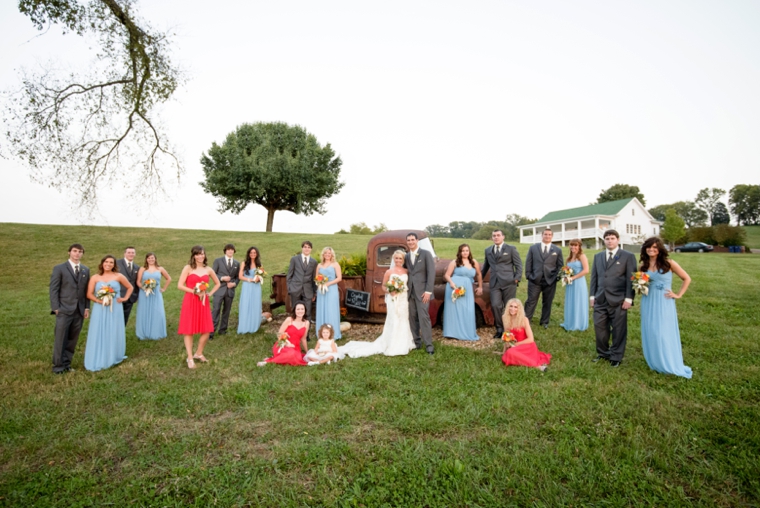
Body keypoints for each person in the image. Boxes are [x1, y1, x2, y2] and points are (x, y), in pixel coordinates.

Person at [339, 250, 416, 358]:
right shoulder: (389, 272)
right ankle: (392, 343)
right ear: (393, 259)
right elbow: (384, 286)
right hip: (393, 298)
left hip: (403, 299)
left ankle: (404, 342)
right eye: (396, 258)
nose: (398, 260)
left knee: (403, 319)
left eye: (400, 258)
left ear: (403, 260)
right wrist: (390, 291)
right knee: (394, 318)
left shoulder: (406, 271)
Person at [639, 237, 692, 378]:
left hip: (664, 302)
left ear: (660, 249)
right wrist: (639, 285)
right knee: (651, 331)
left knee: (662, 332)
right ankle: (655, 360)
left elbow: (687, 278)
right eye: (649, 247)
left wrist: (678, 294)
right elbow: (641, 287)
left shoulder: (669, 263)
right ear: (645, 248)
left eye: (655, 247)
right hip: (648, 301)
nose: (651, 249)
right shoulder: (643, 266)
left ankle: (667, 361)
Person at [589, 229, 637, 367]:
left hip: (619, 300)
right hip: (600, 299)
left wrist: (629, 298)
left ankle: (616, 356)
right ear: (604, 241)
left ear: (618, 240)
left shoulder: (627, 256)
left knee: (618, 329)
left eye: (612, 238)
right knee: (600, 328)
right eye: (607, 238)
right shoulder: (598, 256)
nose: (610, 241)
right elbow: (594, 277)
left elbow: (631, 279)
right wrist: (592, 296)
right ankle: (603, 353)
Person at [84, 255, 133, 371]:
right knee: (98, 330)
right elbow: (89, 294)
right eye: (106, 262)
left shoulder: (118, 276)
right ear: (102, 263)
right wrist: (98, 300)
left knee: (113, 329)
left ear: (114, 265)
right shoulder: (95, 277)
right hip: (99, 308)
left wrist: (124, 298)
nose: (108, 264)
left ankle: (113, 355)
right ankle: (97, 355)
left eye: (111, 262)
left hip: (115, 307)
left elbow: (130, 287)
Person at [177, 245, 221, 369]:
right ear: (193, 256)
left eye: (202, 254)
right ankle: (190, 357)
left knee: (206, 330)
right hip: (190, 301)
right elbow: (179, 285)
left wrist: (209, 294)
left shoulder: (208, 269)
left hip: (203, 302)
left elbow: (217, 283)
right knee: (189, 330)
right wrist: (194, 291)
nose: (200, 256)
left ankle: (199, 353)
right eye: (197, 254)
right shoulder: (188, 268)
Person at [49, 243, 90, 374]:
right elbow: (54, 288)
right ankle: (58, 366)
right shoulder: (60, 268)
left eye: (80, 251)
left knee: (73, 339)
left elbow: (86, 290)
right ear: (69, 252)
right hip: (64, 309)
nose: (77, 253)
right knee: (61, 338)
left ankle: (67, 363)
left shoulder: (85, 270)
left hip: (79, 310)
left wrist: (87, 308)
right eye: (75, 251)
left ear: (82, 254)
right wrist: (56, 307)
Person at [481, 229, 523, 339]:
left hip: (509, 282)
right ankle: (499, 328)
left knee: (509, 306)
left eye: (498, 235)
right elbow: (486, 266)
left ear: (503, 237)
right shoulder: (488, 250)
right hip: (494, 282)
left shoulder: (511, 249)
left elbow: (518, 265)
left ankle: (509, 329)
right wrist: (478, 278)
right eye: (494, 235)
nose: (496, 237)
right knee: (495, 305)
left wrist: (516, 279)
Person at [524, 229, 564, 329]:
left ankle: (544, 321)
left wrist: (556, 278)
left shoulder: (557, 250)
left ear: (552, 236)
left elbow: (560, 266)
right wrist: (529, 275)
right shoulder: (533, 248)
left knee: (547, 302)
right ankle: (526, 320)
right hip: (535, 279)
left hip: (550, 280)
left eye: (549, 234)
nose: (547, 236)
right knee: (531, 301)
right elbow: (528, 262)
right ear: (542, 235)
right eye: (545, 234)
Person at [443, 244, 483, 341]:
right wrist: (452, 283)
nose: (465, 252)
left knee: (467, 309)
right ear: (460, 252)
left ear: (469, 252)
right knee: (455, 310)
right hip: (455, 287)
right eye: (463, 251)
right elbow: (447, 275)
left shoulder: (474, 262)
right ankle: (452, 332)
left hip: (467, 288)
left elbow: (478, 274)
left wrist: (480, 286)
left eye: (467, 250)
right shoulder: (455, 262)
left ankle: (467, 331)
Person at [406, 233, 436, 355]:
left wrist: (428, 291)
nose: (411, 242)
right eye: (408, 240)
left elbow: (431, 273)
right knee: (412, 318)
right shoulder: (406, 256)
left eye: (413, 239)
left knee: (424, 318)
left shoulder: (426, 254)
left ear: (417, 240)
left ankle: (429, 345)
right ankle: (416, 342)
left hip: (423, 293)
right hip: (410, 292)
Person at [501, 299, 551, 372]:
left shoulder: (524, 319)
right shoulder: (505, 317)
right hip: (514, 346)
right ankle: (522, 359)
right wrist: (504, 351)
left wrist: (516, 344)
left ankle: (538, 366)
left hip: (526, 345)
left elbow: (531, 339)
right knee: (506, 355)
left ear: (519, 309)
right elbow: (506, 335)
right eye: (511, 306)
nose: (512, 309)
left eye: (515, 307)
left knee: (510, 353)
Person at [257, 302, 310, 366]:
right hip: (283, 344)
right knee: (291, 354)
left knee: (296, 356)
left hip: (295, 347)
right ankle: (268, 361)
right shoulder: (289, 320)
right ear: (294, 310)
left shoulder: (306, 323)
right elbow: (279, 334)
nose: (300, 311)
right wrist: (287, 344)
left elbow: (303, 339)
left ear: (305, 310)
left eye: (302, 309)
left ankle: (280, 358)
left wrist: (307, 352)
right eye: (298, 309)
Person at [135, 252, 171, 340]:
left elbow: (169, 278)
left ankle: (157, 332)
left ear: (155, 259)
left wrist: (164, 288)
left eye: (152, 258)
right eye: (149, 258)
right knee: (144, 311)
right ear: (146, 259)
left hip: (156, 293)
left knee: (158, 311)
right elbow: (138, 281)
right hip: (144, 294)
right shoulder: (142, 269)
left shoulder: (160, 268)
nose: (151, 260)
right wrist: (144, 288)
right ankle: (144, 332)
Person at [210, 244, 240, 339]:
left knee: (226, 311)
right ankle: (211, 332)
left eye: (232, 250)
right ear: (225, 251)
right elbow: (212, 274)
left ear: (234, 251)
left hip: (230, 291)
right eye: (228, 250)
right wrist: (222, 278)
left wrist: (234, 284)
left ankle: (223, 330)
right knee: (216, 310)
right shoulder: (218, 261)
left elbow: (237, 277)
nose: (230, 251)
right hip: (219, 290)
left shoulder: (236, 263)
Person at [560, 239, 590, 331]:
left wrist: (573, 278)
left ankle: (578, 324)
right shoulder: (569, 258)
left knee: (578, 302)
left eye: (575, 245)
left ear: (579, 246)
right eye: (571, 245)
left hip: (579, 282)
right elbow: (567, 269)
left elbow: (586, 270)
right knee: (571, 301)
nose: (573, 247)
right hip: (570, 283)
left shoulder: (582, 256)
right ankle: (570, 322)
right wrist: (565, 276)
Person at [287, 241, 318, 324]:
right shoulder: (294, 259)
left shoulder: (314, 262)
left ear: (311, 249)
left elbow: (314, 278)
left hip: (308, 291)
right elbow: (289, 275)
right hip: (295, 289)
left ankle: (306, 335)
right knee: (295, 312)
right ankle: (294, 332)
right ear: (302, 248)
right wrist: (290, 288)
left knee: (307, 313)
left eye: (309, 247)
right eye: (305, 247)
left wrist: (314, 293)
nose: (306, 249)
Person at [315, 246, 342, 339]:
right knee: (322, 309)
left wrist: (328, 283)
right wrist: (320, 284)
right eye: (326, 253)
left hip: (332, 289)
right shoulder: (319, 265)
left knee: (331, 310)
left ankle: (332, 334)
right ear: (323, 254)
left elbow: (339, 278)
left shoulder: (335, 264)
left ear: (332, 255)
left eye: (329, 253)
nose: (327, 255)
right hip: (321, 290)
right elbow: (317, 278)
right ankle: (321, 333)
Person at [237, 246, 264, 334]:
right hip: (247, 286)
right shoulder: (244, 263)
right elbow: (240, 276)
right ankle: (245, 326)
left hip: (256, 287)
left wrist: (259, 279)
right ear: (249, 254)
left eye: (254, 253)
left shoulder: (260, 265)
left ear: (257, 254)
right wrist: (250, 280)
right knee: (246, 304)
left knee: (255, 304)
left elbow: (261, 276)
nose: (253, 254)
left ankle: (254, 325)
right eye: (251, 253)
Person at [116, 246, 140, 326]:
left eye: (132, 253)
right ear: (125, 253)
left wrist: (136, 295)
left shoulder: (137, 267)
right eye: (129, 252)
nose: (131, 254)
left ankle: (121, 336)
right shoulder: (117, 263)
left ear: (135, 254)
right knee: (116, 317)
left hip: (130, 297)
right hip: (118, 296)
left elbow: (136, 282)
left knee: (125, 318)